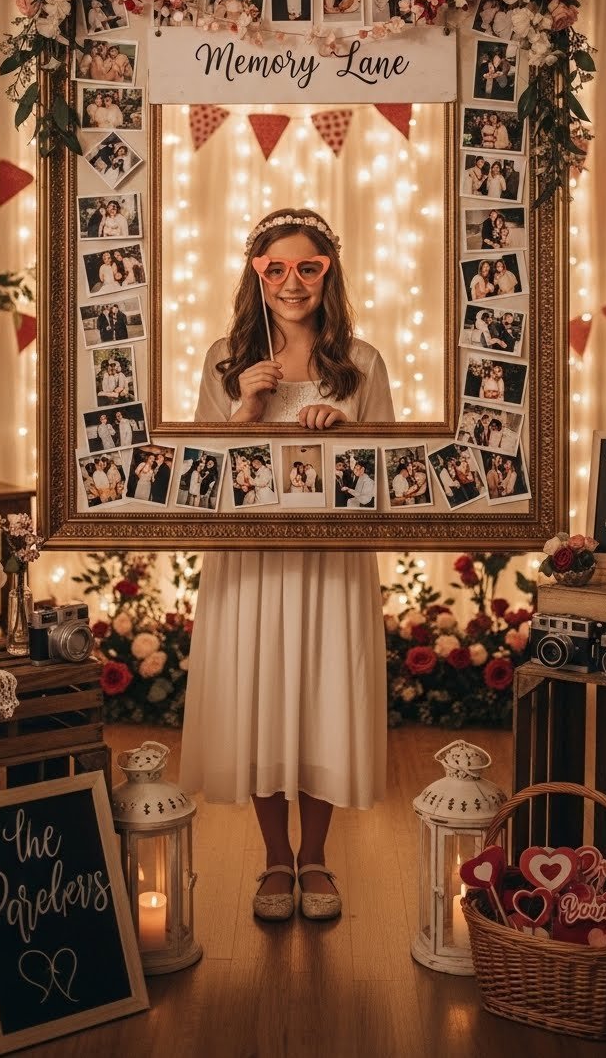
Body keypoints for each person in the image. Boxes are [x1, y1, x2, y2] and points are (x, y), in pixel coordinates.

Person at [181, 207, 394, 923]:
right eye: (277, 268)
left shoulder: (361, 362)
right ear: (257, 274)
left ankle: (319, 856)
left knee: (323, 690)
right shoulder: (224, 357)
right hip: (253, 560)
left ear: (328, 272)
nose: (293, 283)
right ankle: (277, 856)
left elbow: (394, 472)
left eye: (309, 267)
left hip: (330, 560)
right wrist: (245, 407)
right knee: (264, 692)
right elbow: (199, 475)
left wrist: (350, 430)